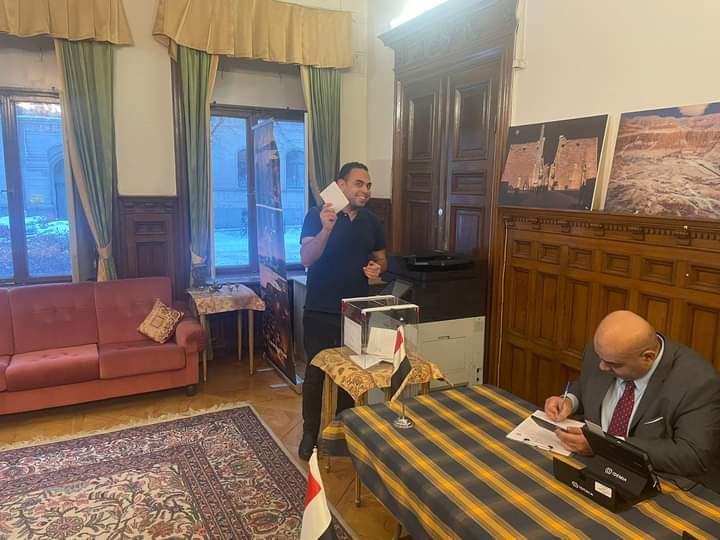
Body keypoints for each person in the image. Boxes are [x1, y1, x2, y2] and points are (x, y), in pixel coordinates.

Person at [544, 310, 720, 491]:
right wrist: (570, 400)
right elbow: (587, 383)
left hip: (657, 482)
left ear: (648, 357)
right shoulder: (605, 351)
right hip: (592, 466)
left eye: (613, 364)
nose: (602, 367)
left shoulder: (697, 381)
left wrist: (605, 446)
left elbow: (693, 455)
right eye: (601, 359)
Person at [298, 162, 387, 461]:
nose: (365, 190)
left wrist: (377, 268)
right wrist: (326, 229)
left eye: (368, 185)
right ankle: (310, 433)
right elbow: (307, 258)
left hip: (354, 312)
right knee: (315, 376)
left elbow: (382, 259)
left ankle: (341, 431)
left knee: (351, 377)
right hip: (319, 309)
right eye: (359, 184)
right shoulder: (317, 215)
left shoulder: (372, 221)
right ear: (341, 185)